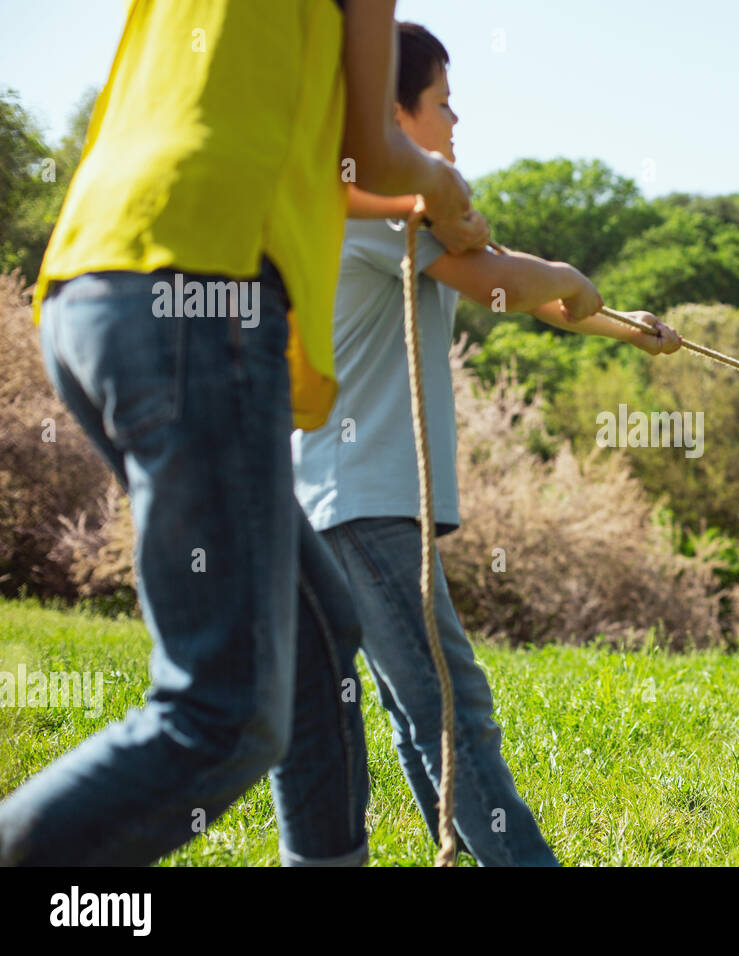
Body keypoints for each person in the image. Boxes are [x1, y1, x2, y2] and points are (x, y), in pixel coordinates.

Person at [0, 0, 489, 866]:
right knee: (224, 710)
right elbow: (373, 147)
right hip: (203, 286)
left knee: (315, 644)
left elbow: (330, 163)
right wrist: (445, 192)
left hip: (91, 282)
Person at [293, 23, 683, 865]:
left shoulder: (404, 210)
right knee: (451, 709)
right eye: (441, 100)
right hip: (358, 498)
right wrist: (578, 283)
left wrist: (625, 330)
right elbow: (509, 283)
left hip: (358, 500)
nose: (457, 117)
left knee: (418, 711)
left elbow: (518, 283)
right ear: (390, 111)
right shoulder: (373, 210)